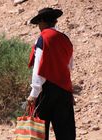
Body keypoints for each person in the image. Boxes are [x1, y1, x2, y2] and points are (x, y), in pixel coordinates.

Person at [27, 7, 76, 140]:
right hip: (64, 90)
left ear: (43, 22)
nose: (38, 27)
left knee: (39, 133)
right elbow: (69, 65)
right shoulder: (65, 39)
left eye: (38, 23)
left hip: (46, 91)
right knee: (65, 132)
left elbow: (39, 67)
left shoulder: (43, 39)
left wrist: (34, 93)